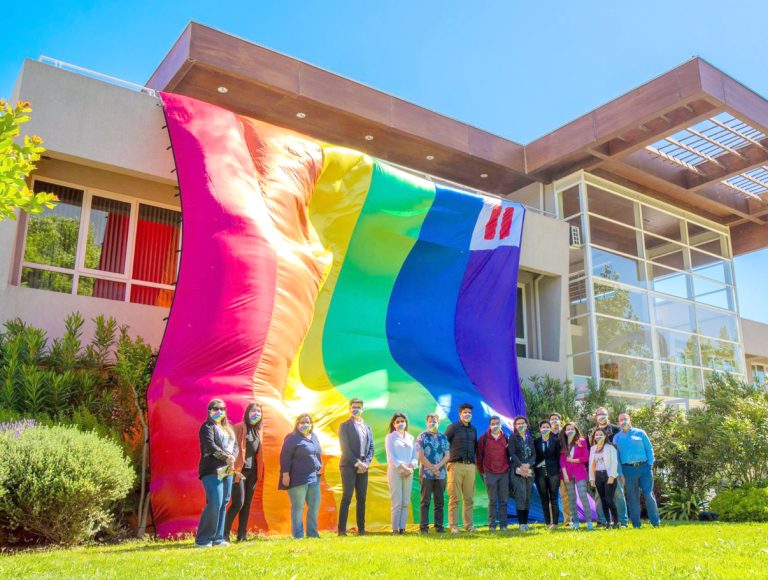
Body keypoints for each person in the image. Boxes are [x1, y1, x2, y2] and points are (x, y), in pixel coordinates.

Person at [195, 398, 238, 547]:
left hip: (227, 469)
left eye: (222, 408)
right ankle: (203, 540)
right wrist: (226, 457)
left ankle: (218, 539)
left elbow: (235, 446)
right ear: (209, 411)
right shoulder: (207, 427)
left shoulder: (229, 428)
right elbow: (210, 446)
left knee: (224, 502)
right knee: (215, 502)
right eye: (215, 408)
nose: (219, 411)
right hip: (212, 469)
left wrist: (233, 457)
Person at [279, 413, 323, 539]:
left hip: (314, 477)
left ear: (311, 424)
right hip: (298, 478)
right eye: (302, 422)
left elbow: (317, 453)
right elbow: (285, 457)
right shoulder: (292, 438)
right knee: (298, 508)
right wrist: (285, 474)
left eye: (307, 422)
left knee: (314, 506)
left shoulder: (314, 436)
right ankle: (298, 535)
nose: (305, 424)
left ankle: (312, 533)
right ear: (297, 424)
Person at [613, 412, 660, 528]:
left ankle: (655, 522)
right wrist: (620, 473)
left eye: (625, 419)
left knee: (648, 494)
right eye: (621, 420)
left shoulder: (640, 433)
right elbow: (616, 458)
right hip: (628, 470)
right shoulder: (617, 438)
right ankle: (636, 524)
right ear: (618, 423)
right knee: (632, 497)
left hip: (644, 468)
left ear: (630, 420)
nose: (623, 421)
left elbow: (649, 449)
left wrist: (650, 464)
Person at [224, 402, 262, 542]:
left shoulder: (258, 431)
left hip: (252, 473)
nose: (256, 414)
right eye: (253, 411)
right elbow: (229, 449)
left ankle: (242, 536)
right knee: (238, 503)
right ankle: (224, 534)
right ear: (247, 413)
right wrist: (233, 469)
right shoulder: (238, 427)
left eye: (259, 412)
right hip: (239, 471)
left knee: (246, 504)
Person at [337, 398, 374, 536]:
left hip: (364, 466)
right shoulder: (344, 426)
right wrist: (358, 463)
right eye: (353, 407)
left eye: (358, 407)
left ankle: (361, 529)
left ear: (362, 409)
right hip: (348, 465)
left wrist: (366, 463)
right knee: (347, 497)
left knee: (362, 498)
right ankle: (341, 530)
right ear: (349, 409)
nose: (356, 409)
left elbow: (371, 447)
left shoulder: (367, 427)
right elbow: (345, 448)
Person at [587, 407, 628, 527]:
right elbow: (590, 450)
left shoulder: (616, 429)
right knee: (599, 496)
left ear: (607, 415)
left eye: (603, 414)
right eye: (599, 414)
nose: (601, 416)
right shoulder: (592, 432)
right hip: (598, 468)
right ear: (596, 417)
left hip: (614, 465)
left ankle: (622, 521)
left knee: (618, 493)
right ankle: (602, 520)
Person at [445, 403, 478, 533]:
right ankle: (453, 526)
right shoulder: (452, 428)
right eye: (465, 412)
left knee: (469, 498)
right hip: (455, 466)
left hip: (470, 467)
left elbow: (475, 448)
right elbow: (444, 444)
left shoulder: (473, 430)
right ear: (460, 414)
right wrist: (447, 462)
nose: (467, 414)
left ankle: (469, 525)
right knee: (454, 498)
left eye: (469, 412)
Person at [416, 414, 450, 534]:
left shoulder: (443, 437)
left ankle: (439, 527)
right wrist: (432, 468)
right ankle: (424, 528)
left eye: (434, 421)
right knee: (425, 501)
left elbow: (447, 455)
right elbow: (420, 456)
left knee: (439, 502)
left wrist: (437, 467)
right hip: (426, 474)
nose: (432, 423)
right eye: (430, 421)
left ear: (438, 423)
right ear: (426, 423)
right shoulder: (422, 437)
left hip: (441, 474)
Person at [385, 412, 418, 534]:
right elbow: (391, 457)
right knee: (397, 502)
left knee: (405, 502)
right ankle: (395, 529)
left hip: (409, 472)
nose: (400, 423)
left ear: (406, 423)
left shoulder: (411, 437)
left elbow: (415, 456)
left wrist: (410, 468)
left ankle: (402, 528)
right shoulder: (390, 437)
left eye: (402, 421)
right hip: (395, 472)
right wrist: (403, 468)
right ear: (394, 424)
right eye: (397, 422)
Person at [476, 415, 510, 531]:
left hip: (504, 472)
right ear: (489, 425)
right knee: (492, 500)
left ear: (501, 425)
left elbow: (509, 455)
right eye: (493, 424)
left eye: (497, 423)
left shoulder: (506, 437)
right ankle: (492, 525)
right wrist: (482, 471)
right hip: (489, 472)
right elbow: (479, 456)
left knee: (503, 500)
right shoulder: (484, 438)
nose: (495, 425)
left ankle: (503, 525)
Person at [559, 422, 594, 530]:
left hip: (580, 473)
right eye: (568, 429)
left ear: (576, 430)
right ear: (565, 432)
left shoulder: (581, 442)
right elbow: (562, 461)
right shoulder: (563, 444)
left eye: (572, 429)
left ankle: (589, 522)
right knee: (571, 498)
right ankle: (575, 522)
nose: (570, 431)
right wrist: (565, 474)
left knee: (583, 496)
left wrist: (573, 460)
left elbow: (586, 457)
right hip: (567, 474)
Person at [589, 427, 620, 529]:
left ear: (605, 436)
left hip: (608, 475)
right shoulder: (593, 448)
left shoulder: (610, 447)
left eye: (601, 434)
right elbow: (591, 465)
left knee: (609, 499)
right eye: (597, 435)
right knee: (603, 500)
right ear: (594, 437)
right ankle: (608, 522)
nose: (598, 436)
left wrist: (612, 476)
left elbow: (614, 462)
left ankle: (616, 522)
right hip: (598, 475)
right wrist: (592, 478)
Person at [509, 415, 536, 530]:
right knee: (521, 496)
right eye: (518, 423)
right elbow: (512, 453)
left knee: (527, 496)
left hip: (529, 471)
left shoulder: (530, 439)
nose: (520, 425)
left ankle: (526, 522)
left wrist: (528, 465)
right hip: (517, 471)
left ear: (526, 425)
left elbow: (534, 454)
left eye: (522, 423)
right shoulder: (512, 437)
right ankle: (521, 524)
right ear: (515, 426)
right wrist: (521, 465)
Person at [534, 419, 561, 529]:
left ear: (550, 428)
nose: (545, 429)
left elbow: (559, 457)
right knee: (544, 499)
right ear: (540, 429)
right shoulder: (536, 442)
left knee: (554, 498)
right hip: (540, 473)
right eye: (543, 427)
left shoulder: (556, 441)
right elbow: (534, 458)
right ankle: (547, 522)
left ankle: (555, 523)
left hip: (554, 472)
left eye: (547, 427)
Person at [549, 412, 571, 526]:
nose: (554, 421)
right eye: (552, 419)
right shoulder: (546, 435)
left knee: (565, 496)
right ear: (549, 422)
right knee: (551, 496)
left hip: (563, 470)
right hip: (551, 470)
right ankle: (552, 520)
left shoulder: (564, 435)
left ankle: (568, 520)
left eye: (556, 419)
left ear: (560, 421)